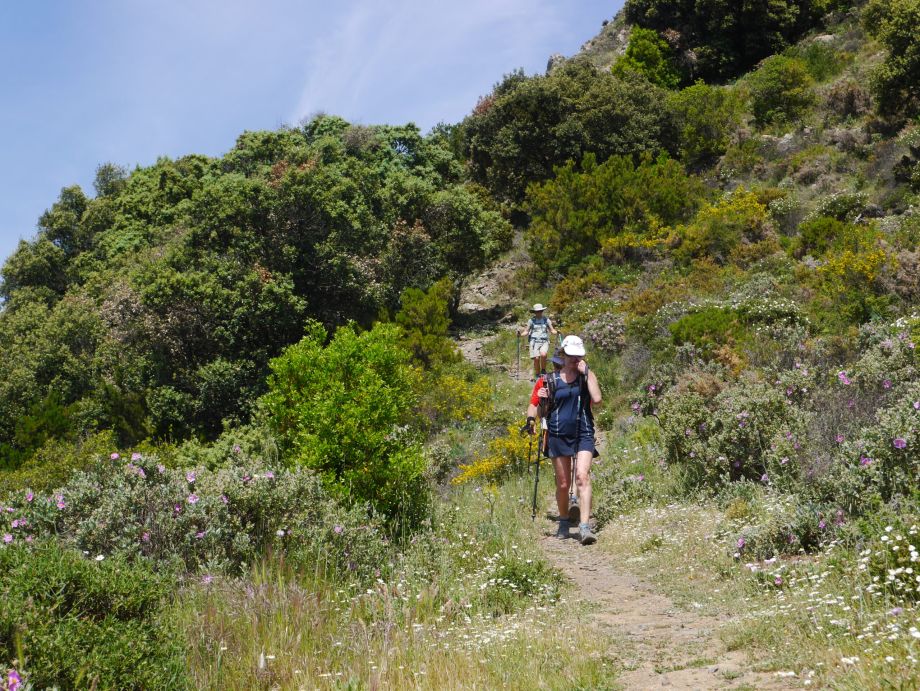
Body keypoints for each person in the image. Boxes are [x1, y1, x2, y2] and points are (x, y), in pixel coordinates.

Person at [523, 335, 602, 545]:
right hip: (557, 435)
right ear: (563, 355)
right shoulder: (550, 380)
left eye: (578, 356)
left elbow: (597, 398)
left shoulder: (586, 376)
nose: (575, 360)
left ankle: (585, 527)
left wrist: (588, 372)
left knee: (582, 477)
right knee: (563, 483)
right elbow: (540, 412)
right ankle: (564, 521)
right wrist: (539, 402)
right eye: (571, 356)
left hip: (583, 432)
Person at [519, 304, 557, 382]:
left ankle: (543, 371)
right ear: (534, 312)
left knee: (543, 354)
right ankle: (537, 374)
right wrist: (520, 335)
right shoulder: (531, 321)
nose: (538, 313)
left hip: (544, 341)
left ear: (542, 311)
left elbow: (552, 330)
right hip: (534, 341)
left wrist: (556, 332)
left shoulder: (546, 320)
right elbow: (526, 331)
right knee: (536, 358)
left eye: (540, 311)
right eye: (537, 311)